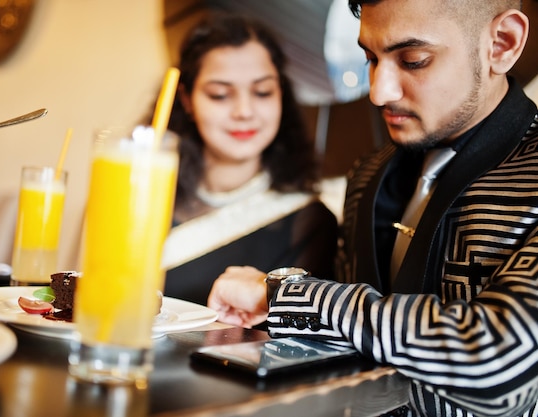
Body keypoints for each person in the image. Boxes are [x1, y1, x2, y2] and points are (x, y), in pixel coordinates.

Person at [207, 0, 538, 415]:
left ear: (503, 43)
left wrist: (285, 296)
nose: (379, 91)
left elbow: (502, 366)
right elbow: (351, 348)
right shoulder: (367, 175)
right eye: (370, 58)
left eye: (414, 60)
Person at [159, 13, 338, 305]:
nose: (244, 111)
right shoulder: (139, 194)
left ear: (282, 94)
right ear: (187, 100)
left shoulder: (309, 222)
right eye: (220, 95)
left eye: (262, 92)